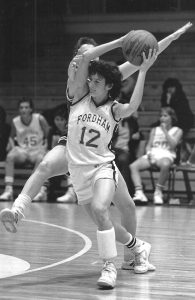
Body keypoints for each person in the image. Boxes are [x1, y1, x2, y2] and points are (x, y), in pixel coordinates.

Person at [0, 22, 192, 288]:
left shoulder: (107, 82)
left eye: (89, 54)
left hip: (101, 158)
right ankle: (19, 210)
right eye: (80, 55)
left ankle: (132, 252)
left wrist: (171, 37)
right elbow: (90, 58)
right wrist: (120, 40)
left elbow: (142, 58)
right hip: (74, 149)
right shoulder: (79, 83)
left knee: (122, 208)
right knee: (46, 165)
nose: (84, 59)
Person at [0, 97, 50, 201]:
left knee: (41, 158)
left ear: (31, 109)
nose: (23, 110)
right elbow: (11, 137)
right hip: (23, 151)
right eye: (21, 107)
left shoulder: (39, 118)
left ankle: (39, 191)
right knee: (10, 156)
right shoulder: (15, 121)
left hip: (37, 150)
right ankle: (8, 190)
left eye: (26, 107)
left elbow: (48, 132)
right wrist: (13, 148)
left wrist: (46, 146)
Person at [130, 106, 183, 205]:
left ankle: (158, 192)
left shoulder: (178, 130)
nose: (162, 118)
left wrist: (165, 131)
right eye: (161, 116)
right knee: (133, 166)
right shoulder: (154, 130)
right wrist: (149, 154)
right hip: (153, 154)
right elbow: (149, 145)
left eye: (165, 116)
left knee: (166, 164)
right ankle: (139, 192)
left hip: (166, 154)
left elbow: (173, 145)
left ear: (172, 118)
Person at [47, 108, 77, 203]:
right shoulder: (52, 131)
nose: (59, 122)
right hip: (56, 160)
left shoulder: (72, 130)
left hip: (72, 159)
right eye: (57, 119)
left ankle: (71, 193)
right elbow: (49, 149)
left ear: (67, 120)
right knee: (44, 160)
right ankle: (43, 191)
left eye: (62, 120)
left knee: (70, 161)